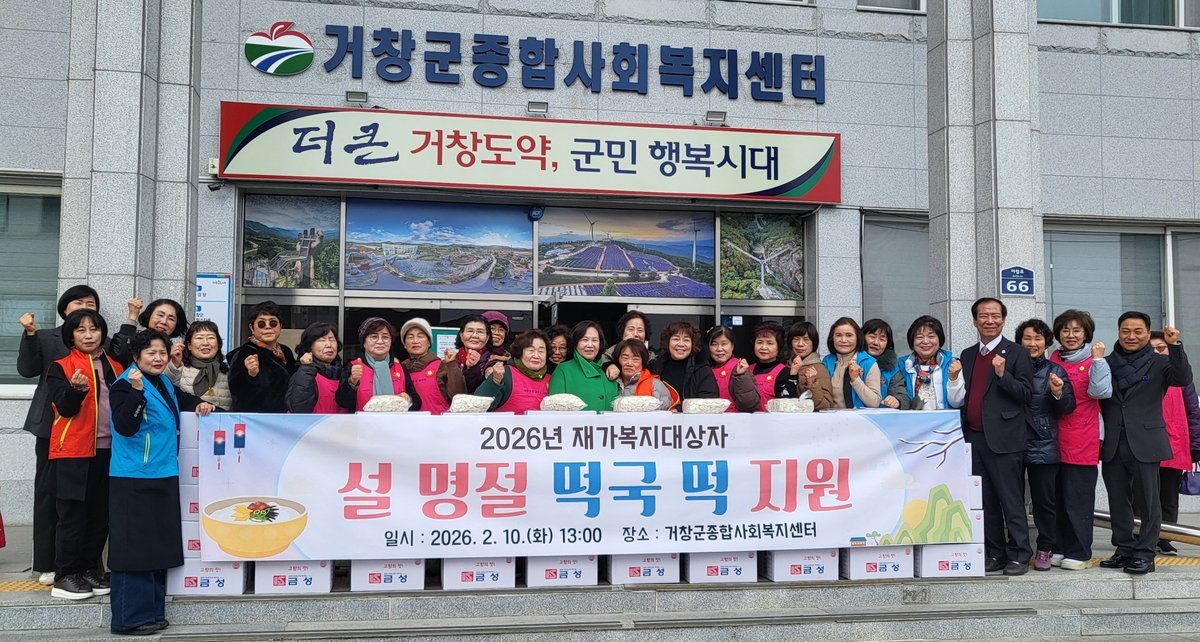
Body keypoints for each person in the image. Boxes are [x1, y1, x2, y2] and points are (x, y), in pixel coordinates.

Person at [107, 330, 216, 635]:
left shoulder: (163, 382)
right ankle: (129, 618)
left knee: (154, 547)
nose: (157, 358)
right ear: (136, 356)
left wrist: (204, 405)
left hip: (163, 472)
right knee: (133, 550)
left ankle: (152, 612)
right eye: (150, 353)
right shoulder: (124, 384)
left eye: (162, 353)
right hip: (133, 476)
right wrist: (136, 392)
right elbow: (125, 426)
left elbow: (186, 400)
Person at [17, 284, 100, 585]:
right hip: (50, 426)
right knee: (48, 495)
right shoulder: (46, 337)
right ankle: (45, 563)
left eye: (90, 304)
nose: (84, 307)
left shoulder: (99, 341)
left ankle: (83, 564)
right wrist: (29, 334)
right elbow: (26, 369)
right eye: (78, 303)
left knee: (82, 500)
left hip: (89, 431)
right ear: (65, 308)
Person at [1096, 315, 1191, 574]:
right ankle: (1124, 548)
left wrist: (1174, 345)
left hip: (1146, 440)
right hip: (1113, 441)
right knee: (1118, 501)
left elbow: (1182, 378)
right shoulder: (1106, 363)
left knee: (1149, 502)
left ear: (1148, 334)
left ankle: (1145, 553)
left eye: (1138, 331)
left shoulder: (1160, 363)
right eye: (1125, 331)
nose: (1131, 336)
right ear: (1118, 332)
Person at [43, 309, 123, 599]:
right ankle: (65, 575)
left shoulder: (116, 365)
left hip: (110, 451)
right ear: (71, 335)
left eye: (94, 329)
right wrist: (76, 391)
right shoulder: (60, 367)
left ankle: (90, 569)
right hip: (73, 452)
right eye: (81, 330)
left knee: (100, 516)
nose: (89, 335)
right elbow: (64, 408)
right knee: (72, 517)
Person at [954, 297, 1033, 576]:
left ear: (1003, 320)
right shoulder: (967, 355)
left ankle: (1020, 554)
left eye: (995, 316)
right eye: (984, 316)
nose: (990, 321)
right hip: (974, 438)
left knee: (1010, 499)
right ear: (974, 321)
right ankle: (995, 552)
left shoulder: (1017, 353)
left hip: (1005, 439)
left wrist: (1002, 374)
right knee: (984, 500)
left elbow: (1026, 394)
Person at [1048, 309, 1111, 570]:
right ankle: (1059, 547)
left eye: (1077, 330)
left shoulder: (1096, 359)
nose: (1070, 335)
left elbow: (1101, 392)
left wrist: (1098, 361)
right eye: (1065, 330)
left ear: (1086, 334)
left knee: (1078, 499)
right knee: (1057, 497)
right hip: (1055, 435)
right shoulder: (1053, 357)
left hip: (1084, 436)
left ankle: (1080, 552)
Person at [1015, 318, 1076, 571]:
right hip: (1012, 442)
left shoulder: (1055, 371)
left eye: (1038, 338)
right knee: (1012, 500)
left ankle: (1045, 547)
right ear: (1019, 342)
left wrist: (1057, 392)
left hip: (1043, 442)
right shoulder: (1009, 367)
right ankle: (1016, 548)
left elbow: (1068, 407)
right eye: (1027, 338)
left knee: (1044, 502)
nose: (1032, 343)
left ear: (1046, 342)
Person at [1148, 331, 1200, 555]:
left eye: (1161, 348)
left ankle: (1166, 537)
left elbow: (1193, 412)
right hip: (1145, 445)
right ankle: (1141, 535)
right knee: (1143, 495)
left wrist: (1196, 446)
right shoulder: (1140, 375)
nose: (1157, 352)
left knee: (1168, 497)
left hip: (1174, 445)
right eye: (1151, 349)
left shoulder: (1182, 379)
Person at [227, 301, 296, 412]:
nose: (268, 327)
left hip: (285, 418)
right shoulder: (244, 354)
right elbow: (238, 393)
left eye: (273, 323)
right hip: (256, 419)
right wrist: (251, 375)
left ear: (280, 326)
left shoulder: (286, 351)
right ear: (252, 328)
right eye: (261, 324)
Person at [337, 317, 418, 412]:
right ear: (364, 342)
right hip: (362, 421)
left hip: (394, 421)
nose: (380, 341)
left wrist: (409, 399)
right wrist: (352, 382)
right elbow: (342, 402)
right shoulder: (353, 367)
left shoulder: (400, 368)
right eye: (374, 337)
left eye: (385, 337)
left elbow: (417, 402)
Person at [895, 316, 964, 411]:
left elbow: (958, 402)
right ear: (912, 341)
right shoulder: (902, 365)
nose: (926, 341)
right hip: (912, 419)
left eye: (931, 336)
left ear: (939, 339)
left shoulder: (952, 364)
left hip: (944, 420)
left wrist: (954, 378)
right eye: (919, 337)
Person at [547, 321, 618, 411]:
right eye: (585, 340)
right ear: (576, 342)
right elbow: (555, 411)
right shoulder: (563, 370)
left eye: (595, 340)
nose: (590, 345)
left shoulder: (609, 371)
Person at [476, 330, 553, 413]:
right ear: (520, 353)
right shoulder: (505, 373)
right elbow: (479, 404)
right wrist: (495, 380)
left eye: (541, 351)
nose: (536, 356)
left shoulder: (552, 379)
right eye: (531, 350)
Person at [399, 318, 462, 415]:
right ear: (404, 345)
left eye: (420, 336)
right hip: (409, 422)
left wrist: (452, 365)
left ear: (429, 342)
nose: (415, 341)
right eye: (410, 337)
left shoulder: (443, 365)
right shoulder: (400, 370)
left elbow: (458, 396)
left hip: (439, 422)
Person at [164, 320, 231, 408]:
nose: (205, 343)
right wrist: (174, 363)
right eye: (199, 338)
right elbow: (168, 388)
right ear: (189, 345)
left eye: (211, 338)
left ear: (218, 344)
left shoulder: (227, 372)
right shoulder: (179, 368)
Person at [649, 321, 719, 404]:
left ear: (693, 344)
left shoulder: (701, 368)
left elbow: (709, 401)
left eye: (686, 340)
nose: (681, 344)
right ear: (667, 342)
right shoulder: (655, 367)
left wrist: (679, 409)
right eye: (676, 339)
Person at [287, 323, 351, 414]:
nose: (329, 345)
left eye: (332, 340)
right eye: (321, 340)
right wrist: (307, 369)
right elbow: (299, 410)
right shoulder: (304, 373)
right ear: (309, 347)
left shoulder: (343, 373)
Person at [822, 317, 882, 409]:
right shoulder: (827, 361)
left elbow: (874, 402)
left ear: (857, 338)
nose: (843, 340)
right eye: (838, 335)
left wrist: (856, 380)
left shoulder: (868, 363)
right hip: (830, 416)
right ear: (832, 338)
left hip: (858, 417)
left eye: (849, 335)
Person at [109, 298, 189, 364]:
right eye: (160, 315)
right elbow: (118, 354)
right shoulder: (136, 342)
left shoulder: (177, 353)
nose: (164, 321)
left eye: (171, 319)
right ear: (149, 316)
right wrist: (132, 317)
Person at [613, 338, 677, 411]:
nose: (629, 363)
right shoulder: (609, 382)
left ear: (643, 363)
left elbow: (667, 411)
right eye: (625, 358)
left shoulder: (655, 384)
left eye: (635, 359)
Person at [706, 326, 759, 413]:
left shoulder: (739, 368)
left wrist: (741, 376)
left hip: (733, 419)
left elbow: (750, 405)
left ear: (732, 346)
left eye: (724, 344)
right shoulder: (704, 369)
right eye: (714, 344)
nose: (719, 349)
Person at [749, 321, 799, 412]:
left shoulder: (784, 372)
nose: (763, 347)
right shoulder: (747, 370)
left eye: (770, 343)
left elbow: (786, 402)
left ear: (779, 347)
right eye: (759, 342)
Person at [863, 319, 911, 410]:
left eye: (882, 339)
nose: (876, 342)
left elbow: (902, 395)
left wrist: (897, 401)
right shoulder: (852, 362)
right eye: (872, 336)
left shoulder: (892, 370)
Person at [787, 321, 834, 410]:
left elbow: (825, 405)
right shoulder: (786, 366)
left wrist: (812, 383)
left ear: (814, 343)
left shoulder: (818, 368)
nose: (800, 344)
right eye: (796, 339)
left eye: (806, 339)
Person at [452, 314, 496, 393]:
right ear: (461, 335)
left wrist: (472, 368)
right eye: (470, 331)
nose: (474, 335)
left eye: (480, 332)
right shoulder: (451, 361)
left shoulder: (493, 362)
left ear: (487, 337)